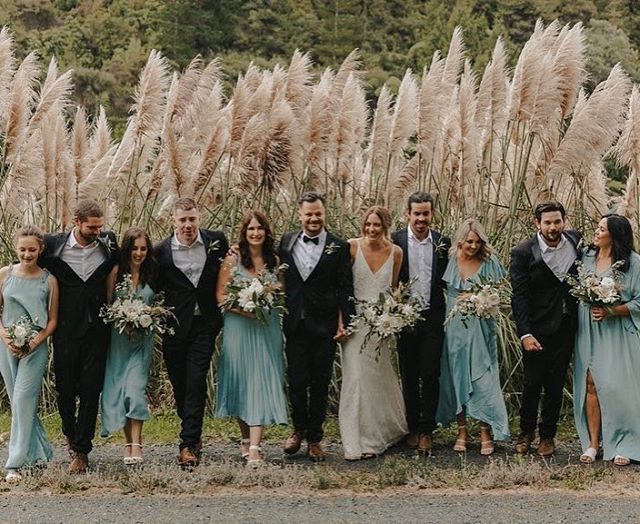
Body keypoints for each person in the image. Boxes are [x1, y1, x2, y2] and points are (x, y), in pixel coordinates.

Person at [40, 200, 119, 473]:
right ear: (76, 222)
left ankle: (82, 450)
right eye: (91, 227)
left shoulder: (109, 243)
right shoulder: (51, 245)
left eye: (100, 226)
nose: (98, 231)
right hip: (64, 330)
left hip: (98, 330)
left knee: (90, 390)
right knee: (65, 390)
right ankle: (70, 435)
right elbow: (27, 265)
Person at [279, 192, 355, 461]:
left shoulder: (339, 246)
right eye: (308, 214)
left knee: (320, 382)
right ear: (300, 215)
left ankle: (315, 438)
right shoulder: (286, 242)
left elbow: (345, 286)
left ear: (324, 214)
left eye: (318, 214)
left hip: (324, 326)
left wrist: (347, 320)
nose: (313, 218)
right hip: (296, 323)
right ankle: (297, 430)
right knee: (297, 382)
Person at [156, 197, 229, 467]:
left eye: (192, 219)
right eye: (182, 220)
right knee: (180, 383)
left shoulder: (217, 241)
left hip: (205, 324)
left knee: (196, 379)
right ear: (173, 221)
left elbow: (230, 270)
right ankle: (191, 428)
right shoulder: (161, 251)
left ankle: (188, 444)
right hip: (174, 327)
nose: (188, 225)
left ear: (199, 218)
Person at [215, 210, 288, 467]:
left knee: (261, 380)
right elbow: (221, 297)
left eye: (260, 229)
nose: (255, 233)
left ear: (266, 233)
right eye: (251, 229)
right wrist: (245, 308)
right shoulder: (232, 260)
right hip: (238, 328)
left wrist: (264, 303)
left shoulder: (275, 261)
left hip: (266, 329)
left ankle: (256, 447)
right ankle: (246, 440)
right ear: (244, 233)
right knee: (241, 383)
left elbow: (280, 295)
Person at [510, 201, 580, 457]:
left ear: (564, 221)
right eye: (547, 222)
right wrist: (525, 333)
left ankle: (547, 435)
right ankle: (525, 432)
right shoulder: (523, 252)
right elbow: (519, 296)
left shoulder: (575, 241)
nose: (553, 227)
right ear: (536, 223)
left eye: (557, 221)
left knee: (555, 383)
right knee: (532, 384)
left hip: (566, 326)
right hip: (536, 329)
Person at [338, 206, 408, 460]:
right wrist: (340, 321)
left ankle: (382, 431)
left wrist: (392, 316)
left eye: (376, 225)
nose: (371, 229)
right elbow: (342, 286)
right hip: (355, 323)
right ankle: (357, 439)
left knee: (378, 379)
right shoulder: (351, 247)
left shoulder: (396, 253)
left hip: (381, 324)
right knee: (356, 378)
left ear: (385, 226)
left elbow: (393, 290)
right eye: (368, 224)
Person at [436, 219, 509, 455]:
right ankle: (462, 431)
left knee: (482, 377)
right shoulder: (450, 258)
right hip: (455, 327)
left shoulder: (489, 261)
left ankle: (486, 430)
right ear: (461, 240)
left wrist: (479, 298)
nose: (473, 246)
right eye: (469, 241)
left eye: (478, 242)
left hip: (481, 327)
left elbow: (500, 290)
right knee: (457, 374)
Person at [573, 214, 640, 466]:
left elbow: (639, 301)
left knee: (615, 387)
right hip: (588, 328)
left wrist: (612, 310)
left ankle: (625, 442)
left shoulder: (633, 263)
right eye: (598, 227)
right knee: (591, 383)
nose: (596, 232)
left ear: (615, 234)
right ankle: (593, 443)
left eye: (602, 229)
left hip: (618, 332)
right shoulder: (586, 257)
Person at [392, 192, 450, 456]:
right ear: (408, 214)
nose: (421, 219)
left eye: (425, 214)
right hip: (404, 318)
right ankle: (412, 427)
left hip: (432, 317)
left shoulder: (442, 243)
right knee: (409, 374)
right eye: (416, 214)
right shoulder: (395, 241)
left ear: (431, 214)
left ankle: (427, 430)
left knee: (430, 374)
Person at [0, 226, 58, 483]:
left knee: (24, 400)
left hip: (35, 347)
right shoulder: (4, 274)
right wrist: (6, 337)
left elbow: (53, 321)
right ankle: (40, 453)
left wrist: (34, 341)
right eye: (22, 249)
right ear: (16, 248)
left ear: (40, 250)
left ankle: (14, 463)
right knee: (19, 403)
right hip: (6, 345)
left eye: (32, 250)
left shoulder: (49, 280)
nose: (27, 254)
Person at [100, 227, 158, 465]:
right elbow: (108, 305)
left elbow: (158, 304)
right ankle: (127, 443)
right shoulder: (116, 272)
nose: (139, 253)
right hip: (119, 342)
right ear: (127, 249)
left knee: (135, 390)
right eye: (134, 248)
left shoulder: (152, 273)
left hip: (142, 342)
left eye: (143, 248)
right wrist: (123, 315)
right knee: (121, 392)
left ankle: (137, 443)